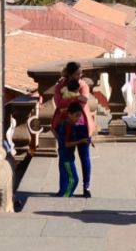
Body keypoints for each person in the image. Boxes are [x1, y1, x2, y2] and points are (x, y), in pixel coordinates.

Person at [52, 62, 98, 197]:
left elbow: (83, 100)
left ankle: (86, 186)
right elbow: (59, 103)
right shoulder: (60, 86)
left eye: (80, 73)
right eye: (78, 73)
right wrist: (75, 97)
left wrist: (71, 99)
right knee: (65, 158)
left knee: (85, 157)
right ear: (70, 74)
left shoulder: (83, 85)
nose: (80, 75)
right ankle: (64, 188)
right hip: (65, 125)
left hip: (82, 125)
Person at [57, 101, 92, 198]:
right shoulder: (69, 127)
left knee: (64, 178)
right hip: (67, 158)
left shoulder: (63, 123)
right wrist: (81, 141)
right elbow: (67, 144)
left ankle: (62, 193)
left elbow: (53, 129)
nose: (78, 118)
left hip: (63, 156)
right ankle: (66, 195)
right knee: (73, 179)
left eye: (80, 116)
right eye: (77, 116)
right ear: (69, 114)